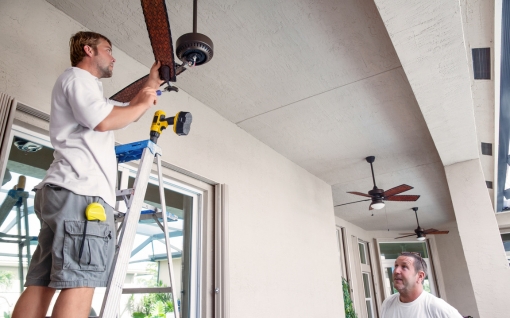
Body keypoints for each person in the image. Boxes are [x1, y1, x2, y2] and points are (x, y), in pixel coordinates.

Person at [11, 31, 163, 318]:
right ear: (88, 50)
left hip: (63, 193)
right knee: (81, 281)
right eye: (108, 49)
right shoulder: (78, 79)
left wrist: (151, 85)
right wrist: (143, 102)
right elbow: (105, 122)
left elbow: (123, 114)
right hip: (82, 195)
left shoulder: (87, 91)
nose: (113, 56)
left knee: (41, 283)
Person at [381, 252, 463, 318]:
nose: (396, 271)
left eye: (404, 267)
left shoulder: (437, 307)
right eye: (396, 266)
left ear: (420, 276)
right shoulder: (388, 303)